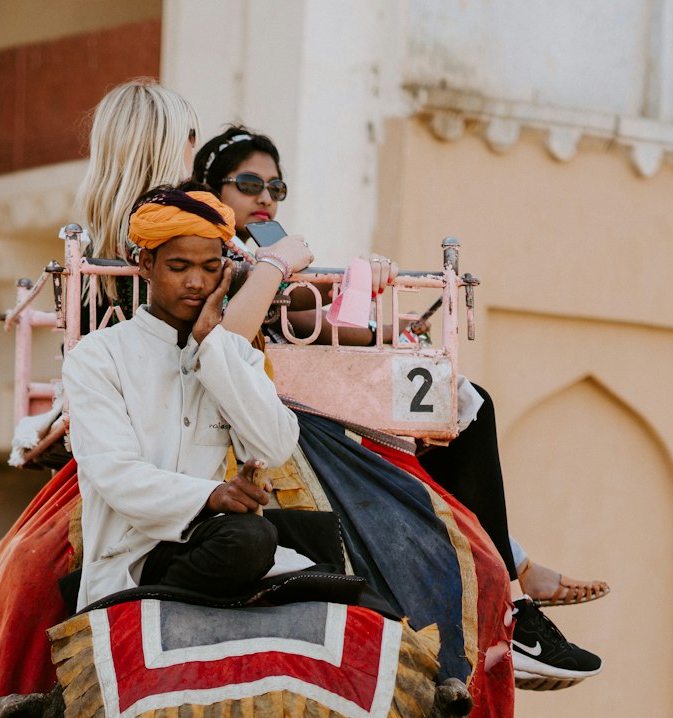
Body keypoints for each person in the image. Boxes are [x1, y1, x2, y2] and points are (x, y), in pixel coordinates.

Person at [194, 125, 609, 687]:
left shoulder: (266, 248)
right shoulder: (214, 250)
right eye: (249, 183)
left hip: (305, 378)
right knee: (460, 410)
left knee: (458, 407)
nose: (266, 197)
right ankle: (512, 591)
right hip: (270, 397)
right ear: (211, 190)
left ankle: (512, 577)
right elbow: (250, 331)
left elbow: (305, 320)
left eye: (276, 186)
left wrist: (388, 328)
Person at [62, 185, 302, 609]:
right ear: (146, 264)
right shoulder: (98, 357)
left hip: (206, 540)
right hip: (128, 558)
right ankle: (153, 602)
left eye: (210, 268)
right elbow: (117, 476)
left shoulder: (233, 353)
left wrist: (213, 346)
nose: (195, 282)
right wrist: (210, 496)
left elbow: (276, 445)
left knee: (256, 537)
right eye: (178, 266)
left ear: (224, 273)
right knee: (248, 541)